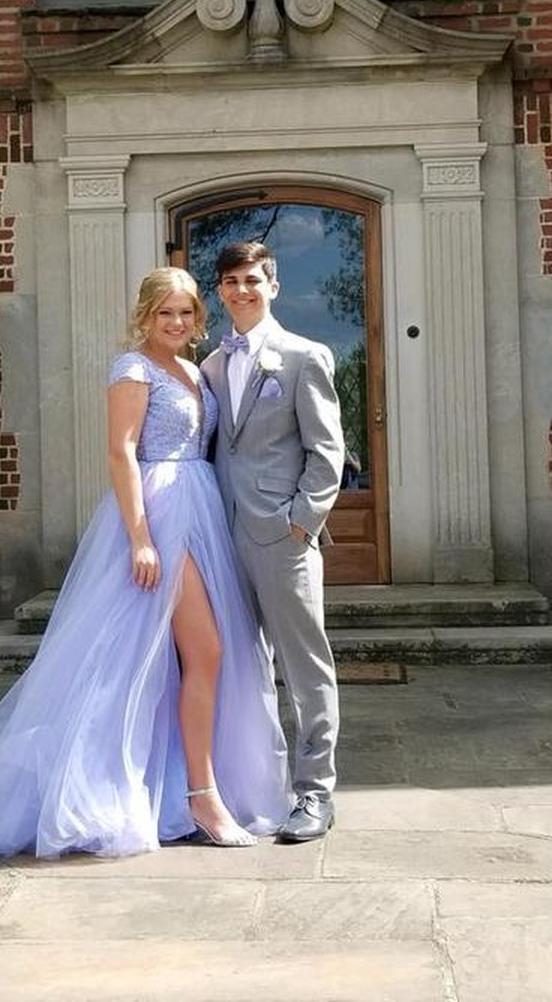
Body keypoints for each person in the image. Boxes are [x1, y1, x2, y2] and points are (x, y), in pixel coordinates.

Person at [0, 267, 290, 858]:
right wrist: (141, 537)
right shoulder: (132, 368)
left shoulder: (195, 370)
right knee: (200, 652)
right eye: (165, 313)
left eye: (186, 312)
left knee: (187, 661)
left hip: (203, 507)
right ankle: (202, 797)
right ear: (145, 316)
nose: (176, 322)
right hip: (162, 513)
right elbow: (121, 452)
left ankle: (187, 788)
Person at [201, 241, 345, 843]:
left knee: (304, 666)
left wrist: (301, 523)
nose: (242, 291)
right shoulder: (211, 365)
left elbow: (327, 451)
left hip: (282, 540)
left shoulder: (303, 356)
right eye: (231, 281)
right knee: (238, 664)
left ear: (273, 287)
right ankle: (255, 788)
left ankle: (315, 793)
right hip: (221, 535)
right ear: (220, 290)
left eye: (252, 280)